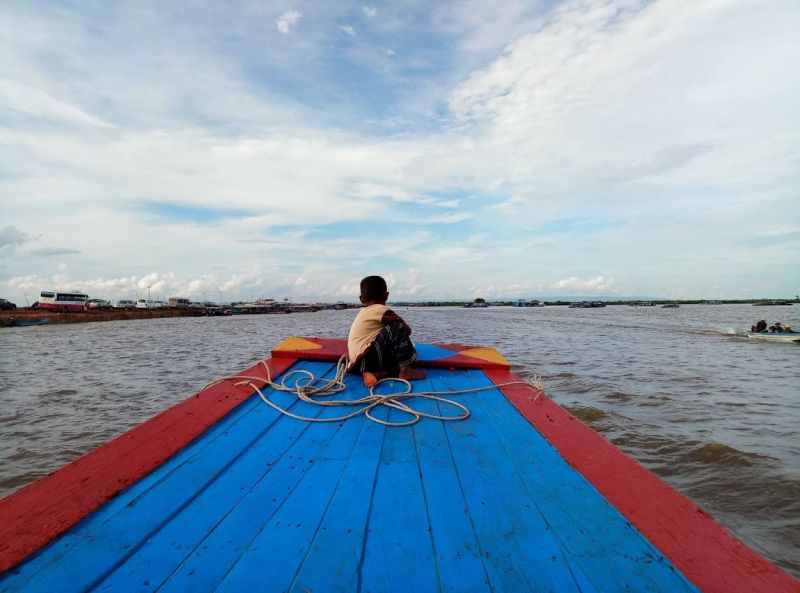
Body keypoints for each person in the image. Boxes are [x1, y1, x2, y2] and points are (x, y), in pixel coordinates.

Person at [347, 275, 426, 388]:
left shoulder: (363, 313)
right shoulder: (381, 310)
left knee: (396, 353)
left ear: (361, 299)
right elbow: (407, 330)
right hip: (366, 358)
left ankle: (372, 373)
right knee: (397, 326)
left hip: (356, 365)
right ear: (386, 295)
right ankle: (406, 370)